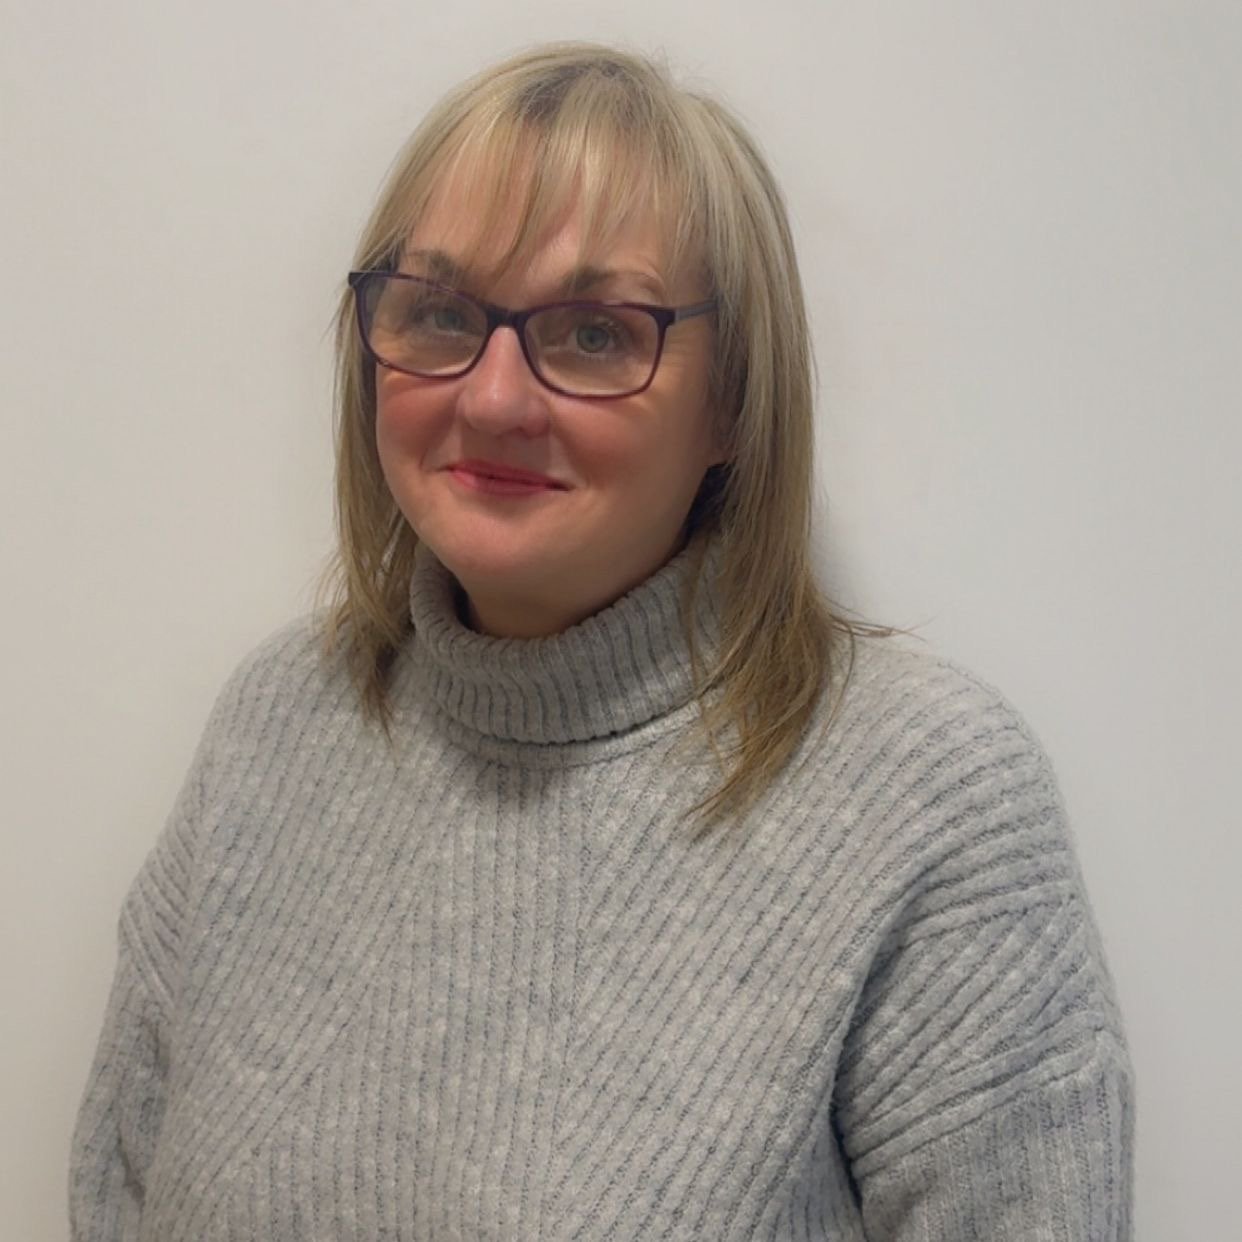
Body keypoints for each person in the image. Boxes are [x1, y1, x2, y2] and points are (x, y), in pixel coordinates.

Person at [69, 42, 1134, 1241]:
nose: (494, 399)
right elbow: (118, 1193)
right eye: (438, 313)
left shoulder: (931, 798)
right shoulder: (275, 723)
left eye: (591, 334)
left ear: (733, 398)